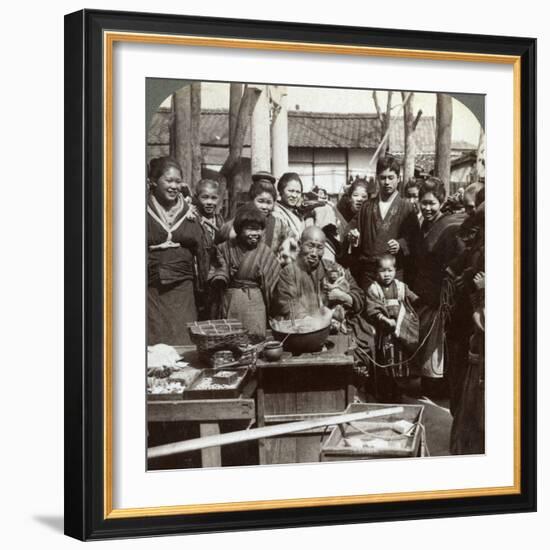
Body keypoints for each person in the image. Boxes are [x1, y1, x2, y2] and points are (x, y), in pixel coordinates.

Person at [410, 177, 466, 394]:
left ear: (441, 202)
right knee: (424, 344)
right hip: (422, 294)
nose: (427, 207)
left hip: (439, 297)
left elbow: (459, 259)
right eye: (424, 202)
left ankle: (438, 387)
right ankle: (428, 383)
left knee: (437, 348)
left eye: (432, 203)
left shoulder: (449, 227)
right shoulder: (422, 224)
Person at [147, 157, 206, 345]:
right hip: (151, 288)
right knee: (154, 341)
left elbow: (202, 251)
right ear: (153, 181)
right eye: (169, 180)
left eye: (178, 181)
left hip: (183, 289)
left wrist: (204, 287)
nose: (174, 186)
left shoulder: (190, 213)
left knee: (183, 341)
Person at [344, 156, 420, 288]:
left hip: (394, 274)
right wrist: (353, 237)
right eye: (383, 177)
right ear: (377, 178)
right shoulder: (366, 206)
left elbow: (415, 239)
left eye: (391, 177)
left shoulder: (407, 208)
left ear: (398, 178)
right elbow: (351, 229)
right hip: (369, 274)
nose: (387, 182)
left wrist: (401, 244)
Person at [209, 204, 281, 342]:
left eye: (259, 229)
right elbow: (217, 271)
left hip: (254, 303)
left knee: (254, 341)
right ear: (239, 229)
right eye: (249, 229)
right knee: (229, 341)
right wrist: (221, 277)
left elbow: (274, 287)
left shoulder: (265, 253)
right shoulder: (224, 248)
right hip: (229, 302)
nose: (255, 234)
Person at [273, 226, 363, 321]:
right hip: (306, 328)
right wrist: (318, 321)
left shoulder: (332, 267)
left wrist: (342, 296)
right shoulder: (288, 273)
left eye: (319, 248)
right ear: (300, 245)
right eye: (310, 246)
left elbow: (359, 295)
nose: (314, 253)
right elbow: (287, 306)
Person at [365, 254, 419, 400]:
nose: (386, 274)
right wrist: (385, 320)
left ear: (395, 270)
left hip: (400, 332)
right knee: (385, 363)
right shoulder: (374, 289)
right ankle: (386, 393)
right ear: (376, 272)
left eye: (390, 270)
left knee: (401, 363)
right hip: (384, 334)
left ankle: (399, 392)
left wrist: (421, 302)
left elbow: (414, 300)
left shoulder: (401, 287)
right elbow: (372, 310)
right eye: (382, 271)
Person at [218, 172, 290, 256]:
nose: (264, 206)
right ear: (252, 200)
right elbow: (221, 242)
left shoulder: (279, 225)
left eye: (269, 202)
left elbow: (291, 245)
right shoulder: (239, 221)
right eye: (260, 201)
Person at [192, 178, 224, 319]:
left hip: (215, 278)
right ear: (197, 197)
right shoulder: (192, 219)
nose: (210, 202)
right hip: (197, 278)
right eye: (205, 197)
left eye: (213, 198)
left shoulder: (221, 220)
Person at [272, 172, 306, 241]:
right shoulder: (276, 213)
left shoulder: (296, 212)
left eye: (298, 192)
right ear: (281, 191)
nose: (294, 195)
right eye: (291, 191)